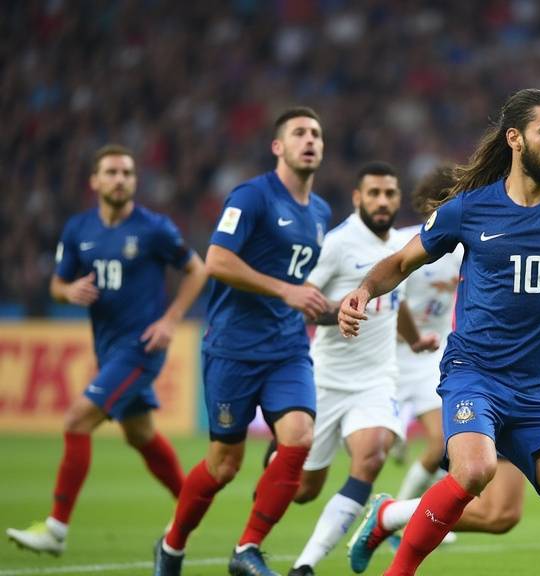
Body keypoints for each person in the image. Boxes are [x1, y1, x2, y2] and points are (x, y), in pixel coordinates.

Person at [337, 88, 540, 576]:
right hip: (476, 375)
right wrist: (363, 290)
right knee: (473, 471)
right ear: (515, 138)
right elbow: (402, 260)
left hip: (539, 393)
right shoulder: (470, 209)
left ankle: (388, 516)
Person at [345, 250, 540, 574]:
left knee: (501, 515)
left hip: (538, 385)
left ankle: (390, 514)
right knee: (474, 472)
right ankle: (396, 552)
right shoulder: (502, 219)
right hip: (485, 377)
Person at [153, 107, 332, 576]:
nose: (309, 140)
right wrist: (286, 291)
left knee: (299, 439)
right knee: (223, 465)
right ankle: (171, 546)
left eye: (315, 134)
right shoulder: (252, 196)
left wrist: (329, 310)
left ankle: (247, 549)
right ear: (279, 146)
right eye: (299, 133)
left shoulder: (320, 212)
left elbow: (298, 280)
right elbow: (216, 260)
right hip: (233, 348)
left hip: (288, 348)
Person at [6, 144, 207, 557]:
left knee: (77, 419)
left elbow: (197, 268)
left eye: (128, 173)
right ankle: (193, 504)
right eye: (112, 172)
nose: (120, 179)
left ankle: (56, 530)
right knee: (141, 434)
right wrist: (69, 291)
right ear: (95, 181)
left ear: (134, 181)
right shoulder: (78, 230)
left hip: (142, 348)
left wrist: (171, 320)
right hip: (108, 348)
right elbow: (56, 286)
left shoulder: (154, 228)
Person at [285, 162, 437, 576]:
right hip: (327, 381)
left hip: (376, 380)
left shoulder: (402, 246)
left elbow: (397, 301)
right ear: (357, 198)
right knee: (302, 491)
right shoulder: (338, 244)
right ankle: (277, 454)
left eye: (389, 194)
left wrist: (414, 338)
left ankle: (305, 565)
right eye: (374, 194)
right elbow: (303, 301)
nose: (383, 201)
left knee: (371, 459)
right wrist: (338, 314)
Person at [386, 166, 464, 510]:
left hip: (432, 357)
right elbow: (392, 300)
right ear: (432, 204)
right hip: (390, 355)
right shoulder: (405, 242)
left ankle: (397, 514)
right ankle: (394, 433)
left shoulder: (465, 249)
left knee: (444, 443)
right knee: (371, 446)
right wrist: (414, 337)